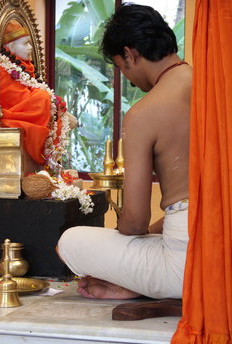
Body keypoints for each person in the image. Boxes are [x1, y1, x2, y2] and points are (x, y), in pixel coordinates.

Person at [56, 3, 192, 300]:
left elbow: (134, 224)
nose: (128, 79)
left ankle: (134, 285)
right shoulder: (214, 89)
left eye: (120, 66)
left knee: (68, 242)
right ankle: (136, 282)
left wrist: (122, 232)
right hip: (220, 252)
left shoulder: (144, 113)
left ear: (130, 54)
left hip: (187, 271)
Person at [0, 21, 76, 168]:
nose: (30, 48)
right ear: (9, 47)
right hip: (13, 116)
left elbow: (31, 94)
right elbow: (18, 100)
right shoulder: (3, 70)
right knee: (43, 98)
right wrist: (47, 100)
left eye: (30, 43)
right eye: (25, 43)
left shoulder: (24, 68)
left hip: (28, 113)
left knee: (50, 102)